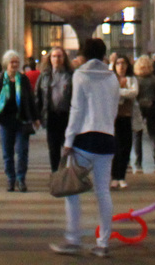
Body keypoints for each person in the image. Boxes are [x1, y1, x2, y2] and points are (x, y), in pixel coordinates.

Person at [50, 36, 122, 258]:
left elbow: (77, 110)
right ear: (102, 55)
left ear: (83, 54)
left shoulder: (80, 75)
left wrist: (68, 141)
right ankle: (103, 243)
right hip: (107, 139)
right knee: (103, 192)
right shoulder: (113, 78)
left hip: (84, 139)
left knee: (72, 190)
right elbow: (114, 109)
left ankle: (73, 239)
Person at [0, 49, 40, 191]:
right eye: (12, 62)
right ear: (6, 64)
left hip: (22, 120)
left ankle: (21, 179)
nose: (15, 64)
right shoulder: (0, 81)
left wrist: (35, 118)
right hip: (5, 121)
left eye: (16, 62)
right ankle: (11, 178)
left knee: (22, 151)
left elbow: (30, 100)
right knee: (7, 152)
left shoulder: (23, 79)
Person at [37, 45, 75, 172]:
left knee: (67, 146)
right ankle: (56, 173)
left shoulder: (71, 76)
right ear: (50, 59)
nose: (57, 59)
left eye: (59, 56)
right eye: (54, 56)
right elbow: (38, 97)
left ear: (64, 58)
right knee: (53, 148)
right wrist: (37, 116)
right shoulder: (44, 76)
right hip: (51, 116)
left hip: (67, 116)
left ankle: (66, 173)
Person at [110, 54, 139, 188]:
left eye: (123, 64)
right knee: (114, 147)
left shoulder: (132, 79)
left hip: (127, 116)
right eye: (118, 64)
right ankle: (114, 176)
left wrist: (119, 92)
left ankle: (121, 176)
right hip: (113, 117)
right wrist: (123, 92)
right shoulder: (111, 79)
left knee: (125, 147)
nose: (121, 66)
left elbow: (134, 92)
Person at [134, 53, 155, 169]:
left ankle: (138, 159)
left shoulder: (137, 80)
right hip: (152, 107)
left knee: (137, 133)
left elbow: (136, 95)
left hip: (140, 107)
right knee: (152, 132)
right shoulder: (154, 79)